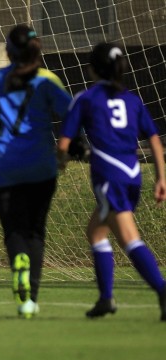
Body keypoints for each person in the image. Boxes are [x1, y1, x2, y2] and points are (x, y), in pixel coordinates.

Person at [0, 24, 72, 318]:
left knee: (13, 230)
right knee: (35, 231)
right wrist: (68, 145)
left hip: (2, 170)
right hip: (40, 166)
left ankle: (19, 267)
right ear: (36, 49)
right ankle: (30, 300)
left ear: (8, 52)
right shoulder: (46, 81)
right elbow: (73, 115)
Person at [57, 42, 166, 321]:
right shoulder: (133, 100)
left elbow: (64, 144)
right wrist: (161, 177)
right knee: (96, 231)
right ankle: (105, 299)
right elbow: (154, 139)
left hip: (109, 177)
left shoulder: (86, 98)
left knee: (129, 239)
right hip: (132, 174)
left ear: (92, 68)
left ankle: (163, 290)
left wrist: (64, 161)